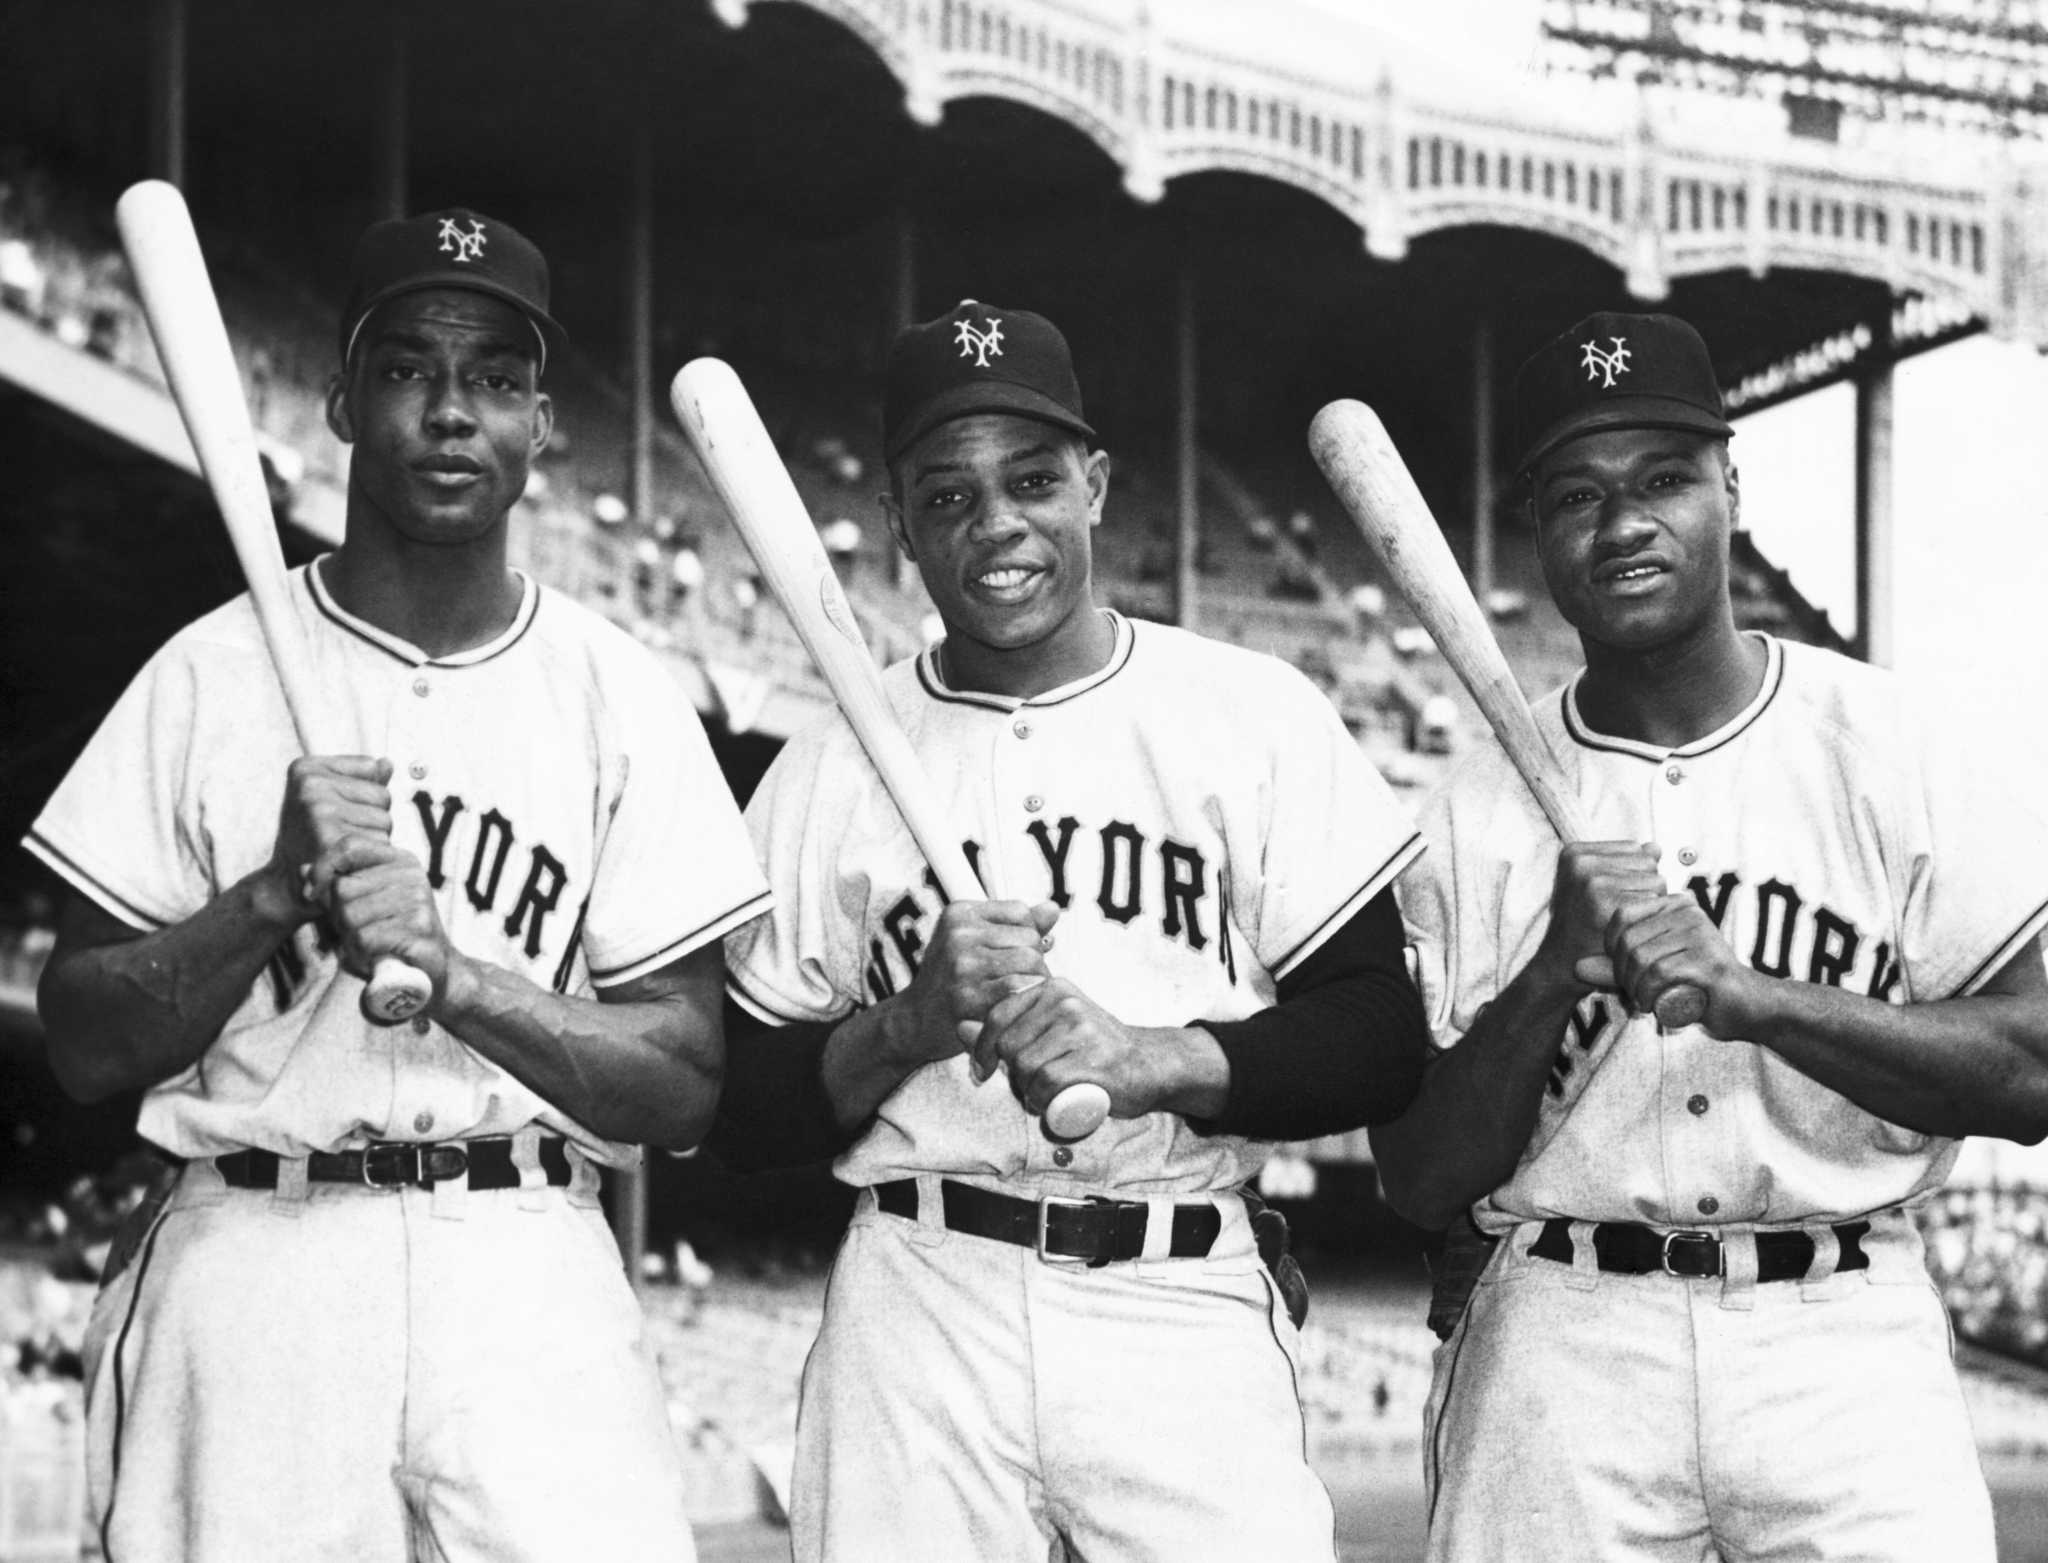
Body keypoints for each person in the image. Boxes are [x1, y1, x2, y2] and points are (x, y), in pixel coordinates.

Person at [28, 207, 771, 1563]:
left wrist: (462, 976)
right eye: (409, 369)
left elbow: (683, 1081)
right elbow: (79, 1038)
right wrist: (271, 897)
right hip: (258, 1249)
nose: (449, 412)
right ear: (343, 401)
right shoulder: (207, 672)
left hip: (526, 1255)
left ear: (543, 423)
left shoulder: (618, 692)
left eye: (494, 378)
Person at [710, 298, 1433, 1562]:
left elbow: (1380, 1036)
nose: (997, 525)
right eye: (947, 495)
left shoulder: (1248, 712)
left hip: (1178, 1286)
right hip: (922, 1295)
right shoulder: (828, 761)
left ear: (1094, 484)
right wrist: (904, 1025)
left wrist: (1164, 1059)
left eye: (1032, 479)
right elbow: (741, 1114)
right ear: (896, 527)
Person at [1375, 309, 2048, 1562]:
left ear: (1729, 487)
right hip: (1561, 1340)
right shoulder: (1471, 808)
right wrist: (1546, 975)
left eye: (1662, 480)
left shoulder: (1889, 746)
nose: (1622, 523)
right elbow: (1415, 1178)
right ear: (1537, 528)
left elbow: (2031, 1073)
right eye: (1575, 493)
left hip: (1840, 1342)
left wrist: (1758, 999)